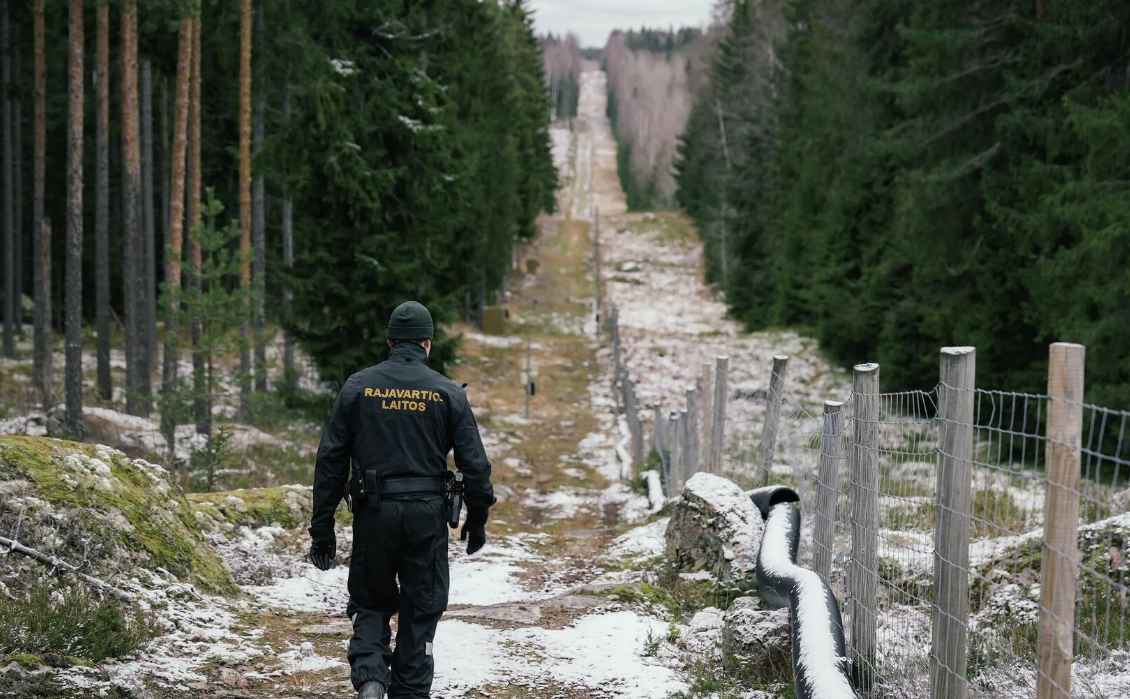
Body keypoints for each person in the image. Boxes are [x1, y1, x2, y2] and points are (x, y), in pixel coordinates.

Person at [307, 301, 495, 699]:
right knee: (422, 607)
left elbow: (331, 462)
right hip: (427, 516)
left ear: (391, 341)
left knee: (370, 600)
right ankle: (409, 690)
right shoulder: (448, 393)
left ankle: (371, 677)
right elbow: (475, 466)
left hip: (374, 512)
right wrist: (477, 520)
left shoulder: (358, 387)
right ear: (428, 343)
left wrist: (322, 529)